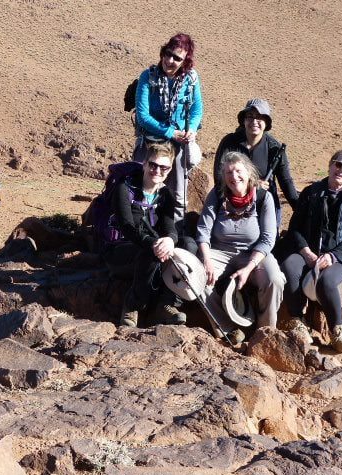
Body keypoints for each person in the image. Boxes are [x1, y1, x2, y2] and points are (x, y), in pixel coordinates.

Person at [277, 148, 342, 352]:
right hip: (307, 250)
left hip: (340, 255)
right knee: (290, 268)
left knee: (326, 281)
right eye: (338, 164)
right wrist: (306, 252)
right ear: (331, 165)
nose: (341, 170)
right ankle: (298, 322)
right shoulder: (311, 192)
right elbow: (295, 227)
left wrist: (332, 257)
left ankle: (337, 332)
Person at [196, 151, 286, 340]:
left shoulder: (263, 198)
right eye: (228, 173)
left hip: (254, 255)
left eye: (238, 171)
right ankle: (228, 329)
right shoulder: (218, 195)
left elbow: (268, 239)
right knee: (196, 276)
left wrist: (248, 268)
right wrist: (206, 260)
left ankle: (265, 332)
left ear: (249, 173)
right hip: (220, 252)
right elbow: (203, 230)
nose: (234, 177)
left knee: (274, 279)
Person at [104, 143, 186, 327]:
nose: (157, 170)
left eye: (163, 167)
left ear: (170, 169)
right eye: (153, 165)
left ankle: (167, 303)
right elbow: (128, 227)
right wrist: (155, 244)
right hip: (119, 251)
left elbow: (169, 226)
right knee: (150, 252)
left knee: (188, 245)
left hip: (150, 247)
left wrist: (171, 240)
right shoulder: (124, 189)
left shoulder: (165, 195)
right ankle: (132, 304)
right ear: (144, 163)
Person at [132, 33, 203, 240]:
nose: (170, 61)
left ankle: (177, 236)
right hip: (151, 141)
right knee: (140, 188)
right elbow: (143, 116)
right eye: (168, 54)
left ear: (185, 62)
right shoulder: (148, 76)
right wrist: (170, 132)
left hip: (178, 143)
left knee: (178, 194)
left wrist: (192, 130)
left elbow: (197, 109)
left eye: (177, 58)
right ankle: (137, 235)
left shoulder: (191, 79)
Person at [214, 99, 298, 227]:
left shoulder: (274, 147)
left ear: (267, 122)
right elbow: (219, 176)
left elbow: (286, 181)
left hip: (264, 204)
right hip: (232, 203)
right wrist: (251, 185)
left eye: (260, 117)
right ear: (243, 120)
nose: (254, 122)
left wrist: (299, 208)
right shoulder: (229, 142)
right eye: (250, 117)